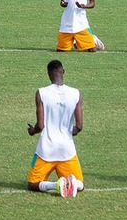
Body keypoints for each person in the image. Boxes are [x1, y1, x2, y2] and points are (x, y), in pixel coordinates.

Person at [26, 60, 85, 196]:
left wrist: (32, 131)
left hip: (46, 150)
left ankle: (55, 185)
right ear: (63, 71)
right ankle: (73, 184)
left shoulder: (41, 93)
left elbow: (40, 126)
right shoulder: (76, 93)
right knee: (80, 184)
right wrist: (67, 133)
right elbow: (79, 126)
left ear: (48, 73)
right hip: (67, 150)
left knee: (32, 184)